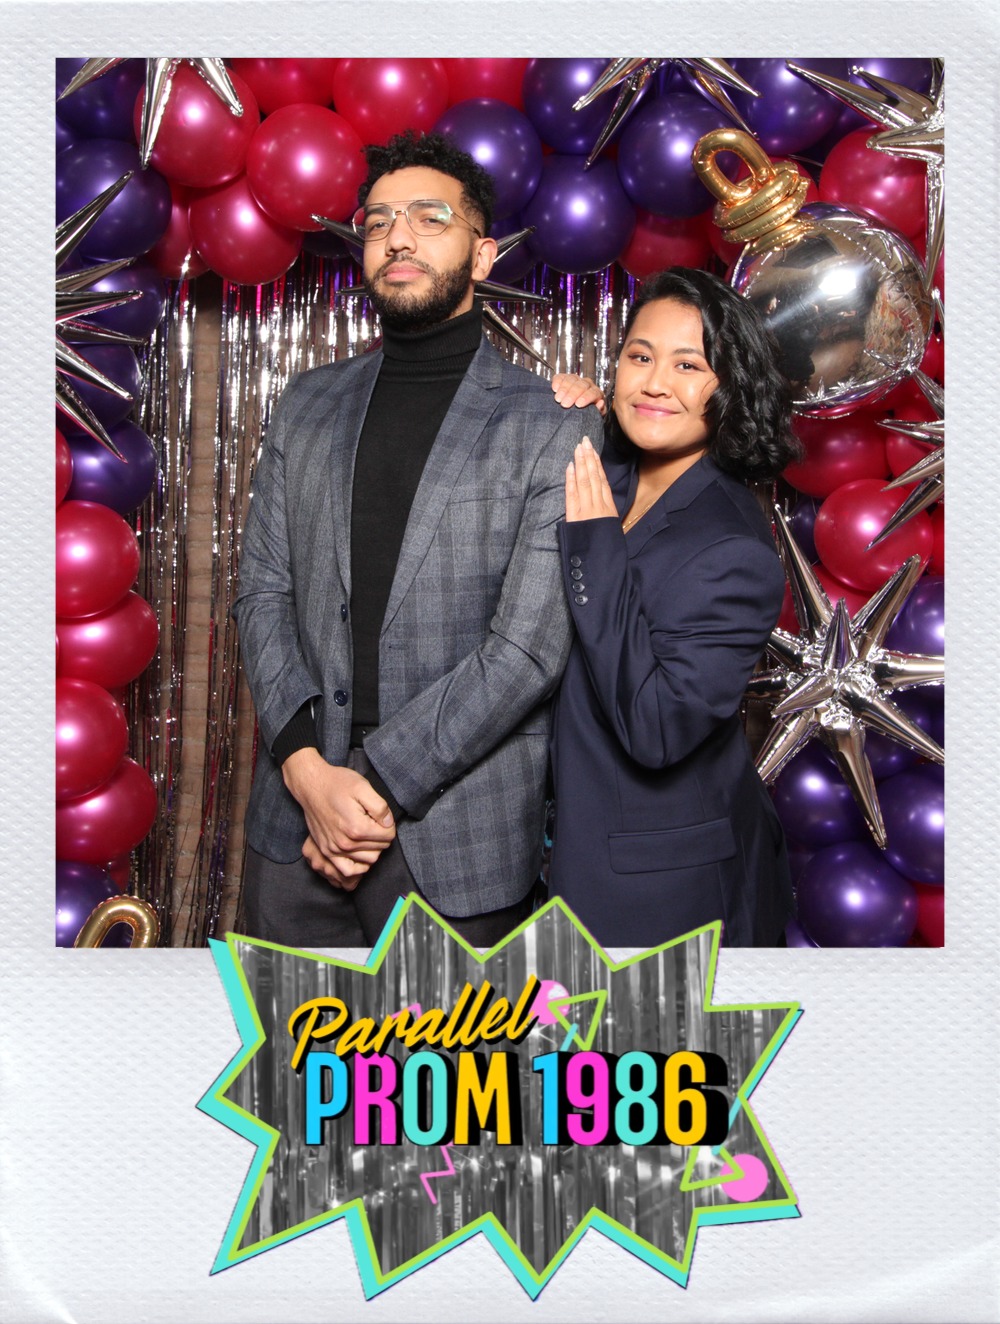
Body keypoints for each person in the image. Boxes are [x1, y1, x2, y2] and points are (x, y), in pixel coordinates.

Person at [233, 131, 602, 949]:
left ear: (483, 255)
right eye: (378, 222)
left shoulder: (550, 422)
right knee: (282, 1040)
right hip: (293, 827)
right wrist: (306, 772)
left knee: (453, 1045)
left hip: (457, 841)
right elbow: (261, 592)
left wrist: (362, 792)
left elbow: (528, 650)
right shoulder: (306, 402)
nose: (397, 237)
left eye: (430, 218)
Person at [548, 267, 800, 948]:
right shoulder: (609, 477)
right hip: (571, 855)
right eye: (640, 357)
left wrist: (596, 548)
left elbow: (657, 728)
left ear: (730, 387)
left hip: (665, 891)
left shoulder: (732, 546)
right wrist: (571, 413)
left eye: (688, 365)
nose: (654, 383)